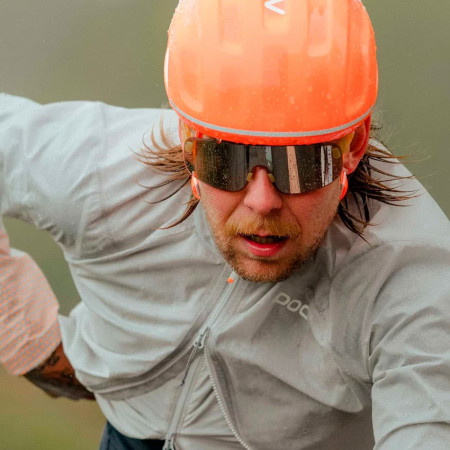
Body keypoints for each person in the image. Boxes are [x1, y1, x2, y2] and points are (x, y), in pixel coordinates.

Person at [1, 0, 450, 448]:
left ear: (355, 143)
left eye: (300, 164)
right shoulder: (103, 174)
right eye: (225, 159)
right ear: (188, 142)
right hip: (130, 431)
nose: (262, 201)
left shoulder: (413, 280)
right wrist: (27, 335)